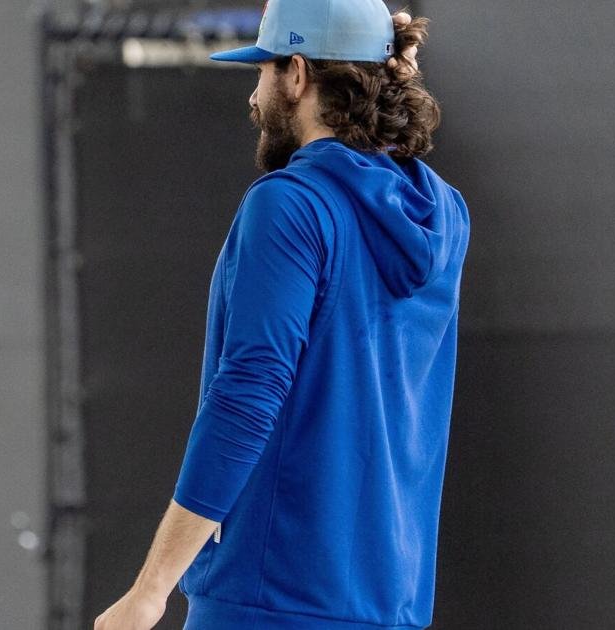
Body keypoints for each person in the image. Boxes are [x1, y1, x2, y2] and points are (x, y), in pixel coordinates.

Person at [96, 1, 468, 628]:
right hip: (391, 603)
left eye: (264, 69)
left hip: (272, 598)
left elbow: (247, 394)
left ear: (296, 75)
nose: (254, 92)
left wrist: (151, 589)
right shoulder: (446, 214)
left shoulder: (290, 206)